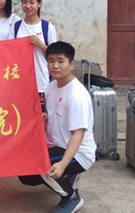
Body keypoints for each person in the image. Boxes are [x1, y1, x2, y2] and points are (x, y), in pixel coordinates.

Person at [19, 42, 96, 213]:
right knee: (26, 175)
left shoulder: (77, 96)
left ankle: (71, 198)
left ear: (71, 64)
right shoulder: (51, 87)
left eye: (61, 61)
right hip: (57, 144)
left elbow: (77, 135)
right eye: (51, 60)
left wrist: (62, 164)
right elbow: (55, 114)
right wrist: (46, 118)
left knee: (40, 164)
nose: (55, 66)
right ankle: (67, 177)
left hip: (78, 153)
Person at [9, 0, 58, 95]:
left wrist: (41, 45)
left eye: (32, 2)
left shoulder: (47, 27)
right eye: (24, 2)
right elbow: (9, 53)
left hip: (41, 79)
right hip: (20, 79)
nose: (28, 6)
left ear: (39, 4)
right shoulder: (16, 27)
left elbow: (55, 55)